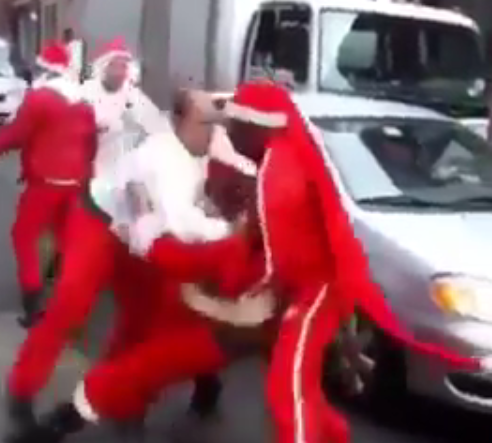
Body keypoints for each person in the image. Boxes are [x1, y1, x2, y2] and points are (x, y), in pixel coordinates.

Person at [15, 83, 482, 443]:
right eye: (211, 121)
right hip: (237, 294)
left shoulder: (276, 170)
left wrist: (182, 251)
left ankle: (86, 411)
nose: (221, 129)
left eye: (228, 121)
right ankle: (69, 416)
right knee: (157, 353)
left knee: (288, 392)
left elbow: (274, 260)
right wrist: (215, 259)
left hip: (282, 300)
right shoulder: (193, 160)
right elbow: (198, 248)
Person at [3, 88, 235, 443]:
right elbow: (182, 223)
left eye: (217, 124)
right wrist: (233, 231)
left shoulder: (207, 146)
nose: (213, 132)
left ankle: (123, 402)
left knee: (143, 320)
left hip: (141, 236)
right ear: (179, 122)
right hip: (99, 223)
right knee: (70, 306)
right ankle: (22, 390)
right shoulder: (162, 156)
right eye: (205, 123)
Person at [0, 41, 97, 329]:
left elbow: (16, 135)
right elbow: (91, 143)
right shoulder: (83, 102)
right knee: (65, 238)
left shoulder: (40, 98)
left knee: (23, 236)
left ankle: (33, 306)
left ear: (43, 68)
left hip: (46, 181)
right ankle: (67, 301)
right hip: (75, 181)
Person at [82, 37, 168, 178]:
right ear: (104, 68)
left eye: (123, 66)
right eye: (115, 66)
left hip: (122, 170)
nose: (119, 72)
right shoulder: (86, 91)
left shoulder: (133, 96)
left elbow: (158, 127)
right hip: (90, 166)